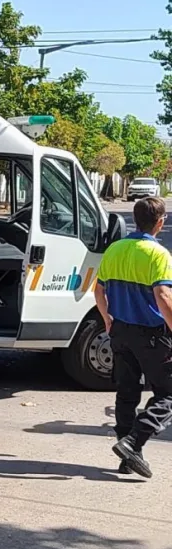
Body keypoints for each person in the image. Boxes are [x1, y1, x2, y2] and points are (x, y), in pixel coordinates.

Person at [94, 196, 172, 479]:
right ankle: (133, 443)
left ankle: (128, 458)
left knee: (127, 393)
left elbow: (98, 290)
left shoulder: (115, 249)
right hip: (151, 335)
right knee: (168, 393)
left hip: (121, 330)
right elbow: (163, 297)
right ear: (160, 223)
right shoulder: (158, 254)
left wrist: (107, 320)